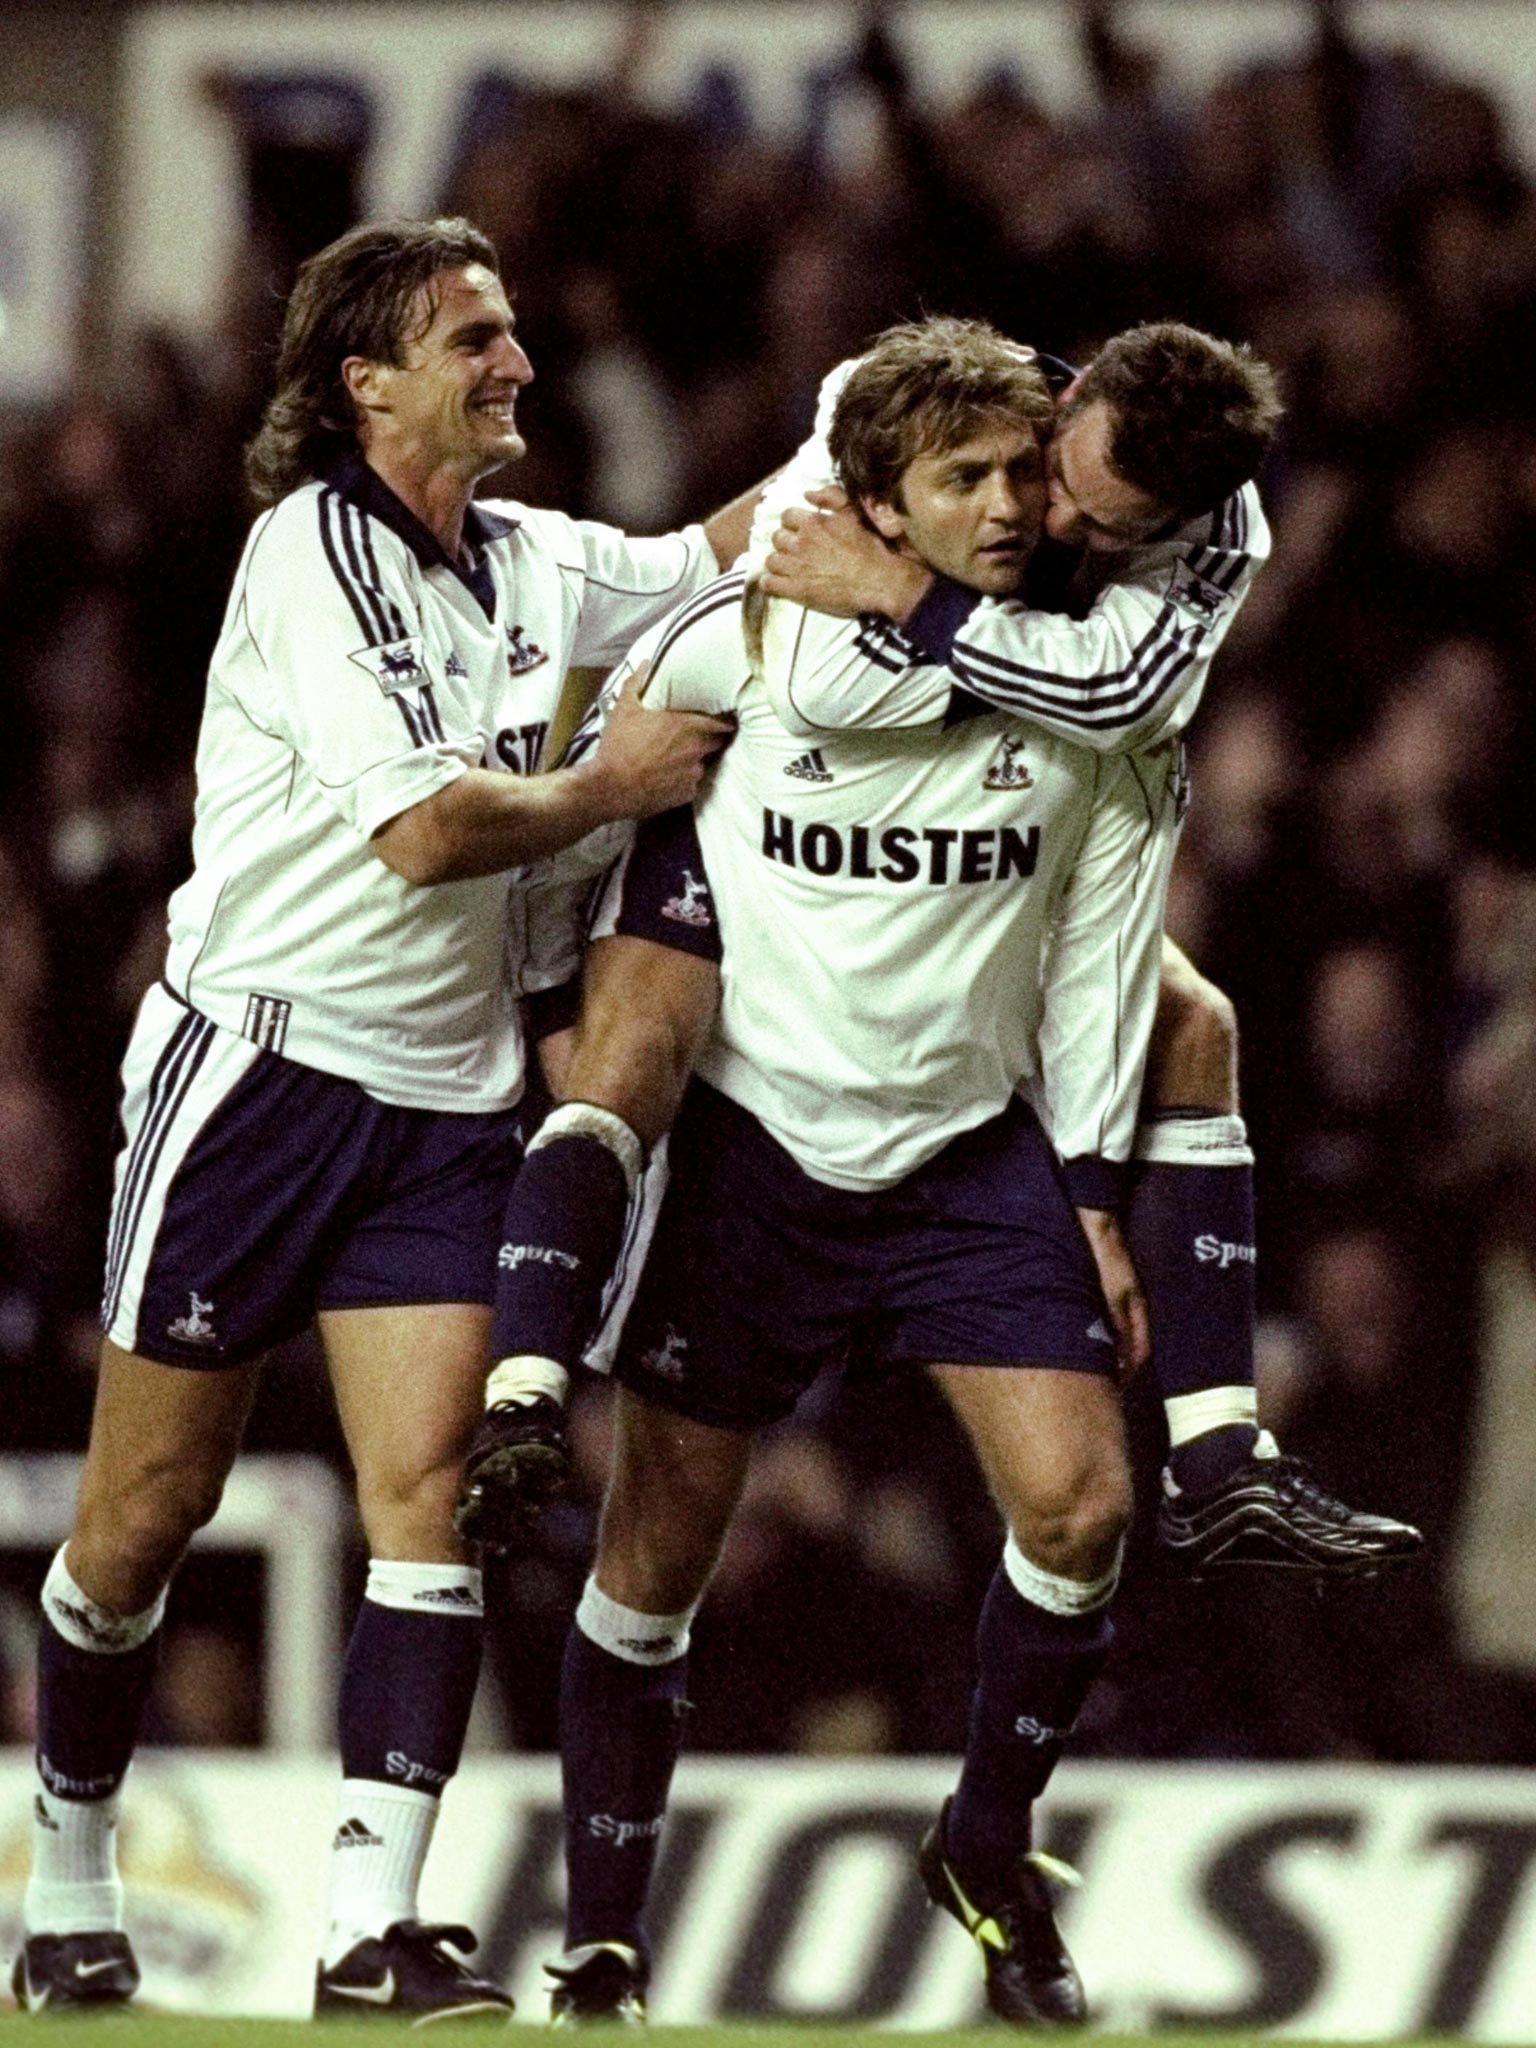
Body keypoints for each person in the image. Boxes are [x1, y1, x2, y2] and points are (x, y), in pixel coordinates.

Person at [10, 213, 759, 2022]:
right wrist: (610, 780)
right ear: (369, 382)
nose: (514, 362)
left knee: (430, 1500)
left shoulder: (529, 557)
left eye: (508, 330)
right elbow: (425, 829)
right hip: (256, 1075)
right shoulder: (305, 553)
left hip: (442, 1098)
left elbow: (705, 555)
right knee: (145, 1511)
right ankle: (71, 1870)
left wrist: (869, 436)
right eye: (475, 337)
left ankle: (366, 1928)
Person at [460, 319, 1420, 1584]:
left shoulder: (1222, 535)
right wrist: (542, 987)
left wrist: (908, 596)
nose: (1053, 524)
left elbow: (1122, 699)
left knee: (1196, 1022)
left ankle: (1220, 1451)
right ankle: (525, 1385)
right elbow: (814, 679)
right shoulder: (891, 410)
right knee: (628, 1046)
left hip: (987, 876)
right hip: (749, 831)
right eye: (1043, 476)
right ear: (1061, 403)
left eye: (1106, 525)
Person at [533, 321, 1181, 2028]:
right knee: (657, 1546)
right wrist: (553, 976)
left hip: (967, 1149)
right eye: (958, 476)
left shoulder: (1102, 677)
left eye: (1015, 470)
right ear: (872, 504)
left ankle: (984, 1839)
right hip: (760, 1146)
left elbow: (1113, 952)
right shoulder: (744, 637)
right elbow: (581, 769)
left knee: (1086, 1504)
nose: (1002, 502)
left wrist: (1098, 1194)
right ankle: (601, 1934)